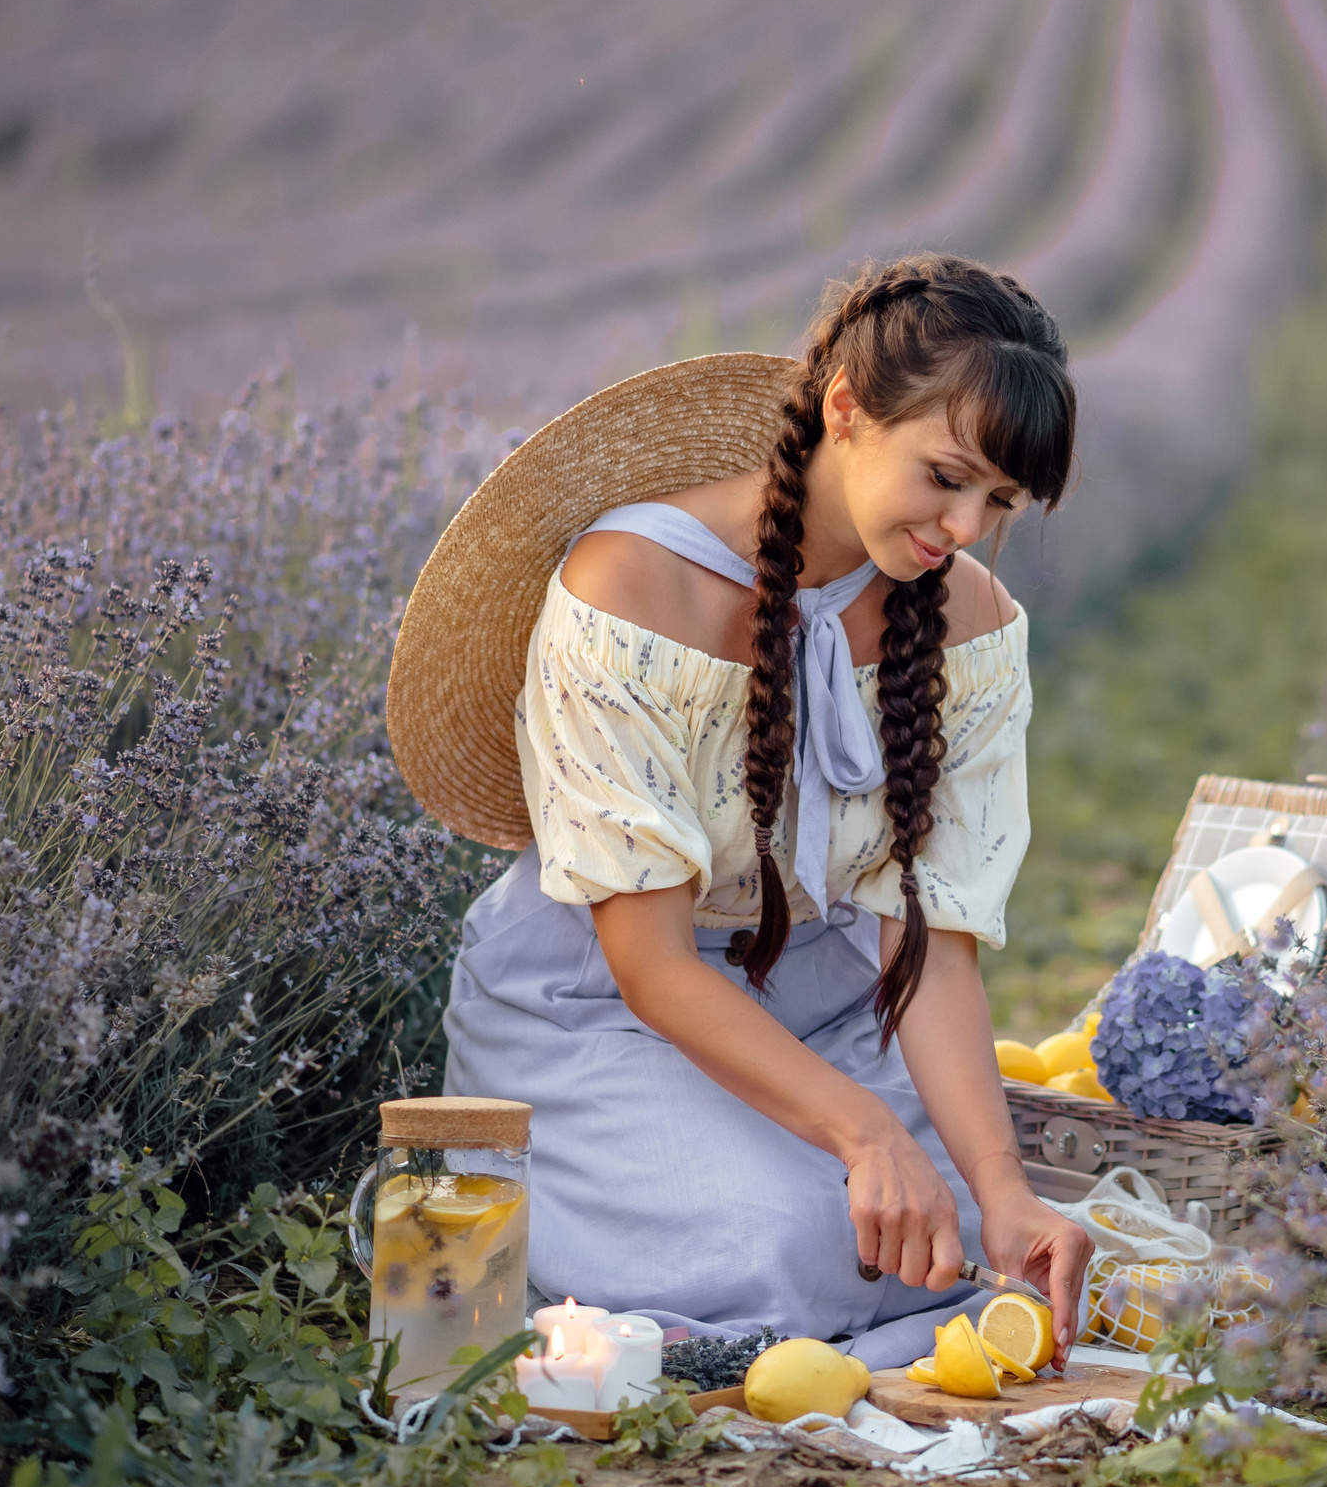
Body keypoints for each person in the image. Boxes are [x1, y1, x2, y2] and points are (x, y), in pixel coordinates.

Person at [387, 253, 1095, 1371]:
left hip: (830, 997)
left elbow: (929, 946)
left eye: (998, 502)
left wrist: (1003, 1190)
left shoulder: (970, 624)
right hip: (600, 1004)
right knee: (793, 1241)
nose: (963, 526)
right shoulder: (629, 589)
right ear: (847, 410)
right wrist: (863, 1130)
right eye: (946, 476)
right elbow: (651, 964)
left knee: (960, 1238)